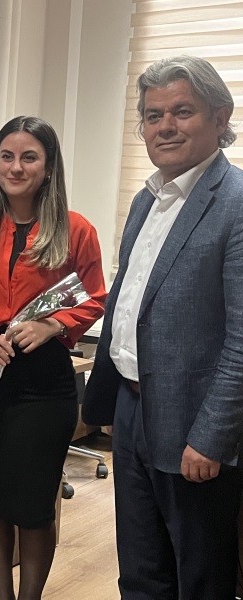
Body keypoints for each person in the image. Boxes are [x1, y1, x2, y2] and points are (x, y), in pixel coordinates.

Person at [82, 55, 243, 599]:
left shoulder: (236, 204)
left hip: (195, 425)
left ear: (220, 118)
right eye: (153, 116)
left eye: (182, 111)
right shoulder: (146, 199)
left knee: (199, 577)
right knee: (140, 569)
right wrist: (109, 402)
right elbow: (129, 303)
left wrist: (211, 438)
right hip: (133, 410)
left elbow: (242, 342)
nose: (165, 126)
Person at [0, 116, 106, 600]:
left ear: (48, 167)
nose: (16, 167)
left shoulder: (76, 229)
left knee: (33, 507)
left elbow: (95, 297)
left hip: (43, 383)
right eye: (7, 156)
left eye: (29, 157)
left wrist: (53, 325)